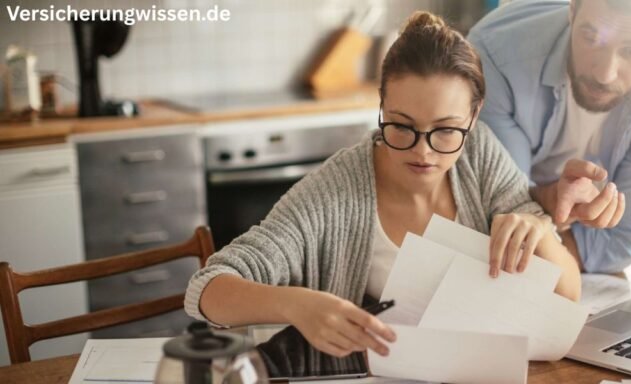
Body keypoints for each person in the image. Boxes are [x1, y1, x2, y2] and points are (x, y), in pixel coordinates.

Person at [185, 11, 581, 359]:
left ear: (474, 116)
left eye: (444, 130)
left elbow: (567, 295)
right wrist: (295, 305)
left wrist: (540, 228)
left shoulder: (479, 155)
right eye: (402, 125)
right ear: (381, 105)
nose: (423, 153)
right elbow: (205, 290)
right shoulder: (335, 193)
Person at [468, 0, 631, 273]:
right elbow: (495, 218)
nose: (605, 74)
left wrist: (539, 230)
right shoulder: (495, 55)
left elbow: (626, 242)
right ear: (571, 11)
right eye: (591, 38)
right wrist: (547, 207)